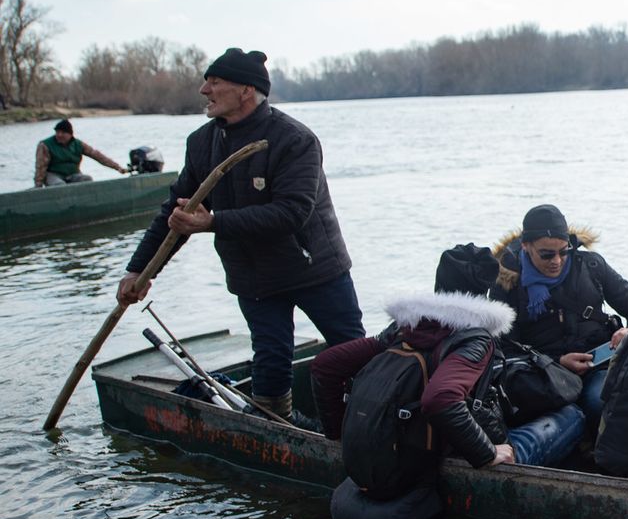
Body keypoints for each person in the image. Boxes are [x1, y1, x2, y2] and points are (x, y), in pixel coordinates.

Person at [116, 47, 364, 418]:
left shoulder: (294, 139)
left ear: (247, 90)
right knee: (270, 358)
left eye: (215, 82)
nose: (204, 90)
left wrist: (213, 223)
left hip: (315, 269)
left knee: (352, 350)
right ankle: (278, 426)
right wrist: (139, 271)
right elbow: (176, 213)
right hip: (255, 277)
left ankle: (373, 418)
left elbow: (291, 213)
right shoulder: (202, 143)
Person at [310, 245, 582, 467]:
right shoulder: (475, 338)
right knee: (574, 415)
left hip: (409, 442)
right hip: (463, 453)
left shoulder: (403, 328)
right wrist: (488, 452)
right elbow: (440, 399)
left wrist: (338, 434)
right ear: (483, 291)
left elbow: (324, 367)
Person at [491, 203, 628, 433]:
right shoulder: (505, 285)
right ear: (526, 246)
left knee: (602, 402)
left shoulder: (592, 265)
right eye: (547, 254)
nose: (557, 260)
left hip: (598, 365)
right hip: (542, 375)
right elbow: (505, 350)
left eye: (564, 251)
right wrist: (557, 361)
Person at [34, 119, 126, 186]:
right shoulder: (45, 145)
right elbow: (40, 167)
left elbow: (97, 156)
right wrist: (38, 185)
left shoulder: (78, 144)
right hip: (53, 175)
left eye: (63, 133)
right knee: (60, 185)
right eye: (57, 132)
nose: (59, 135)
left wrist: (117, 167)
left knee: (87, 179)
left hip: (72, 175)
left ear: (70, 134)